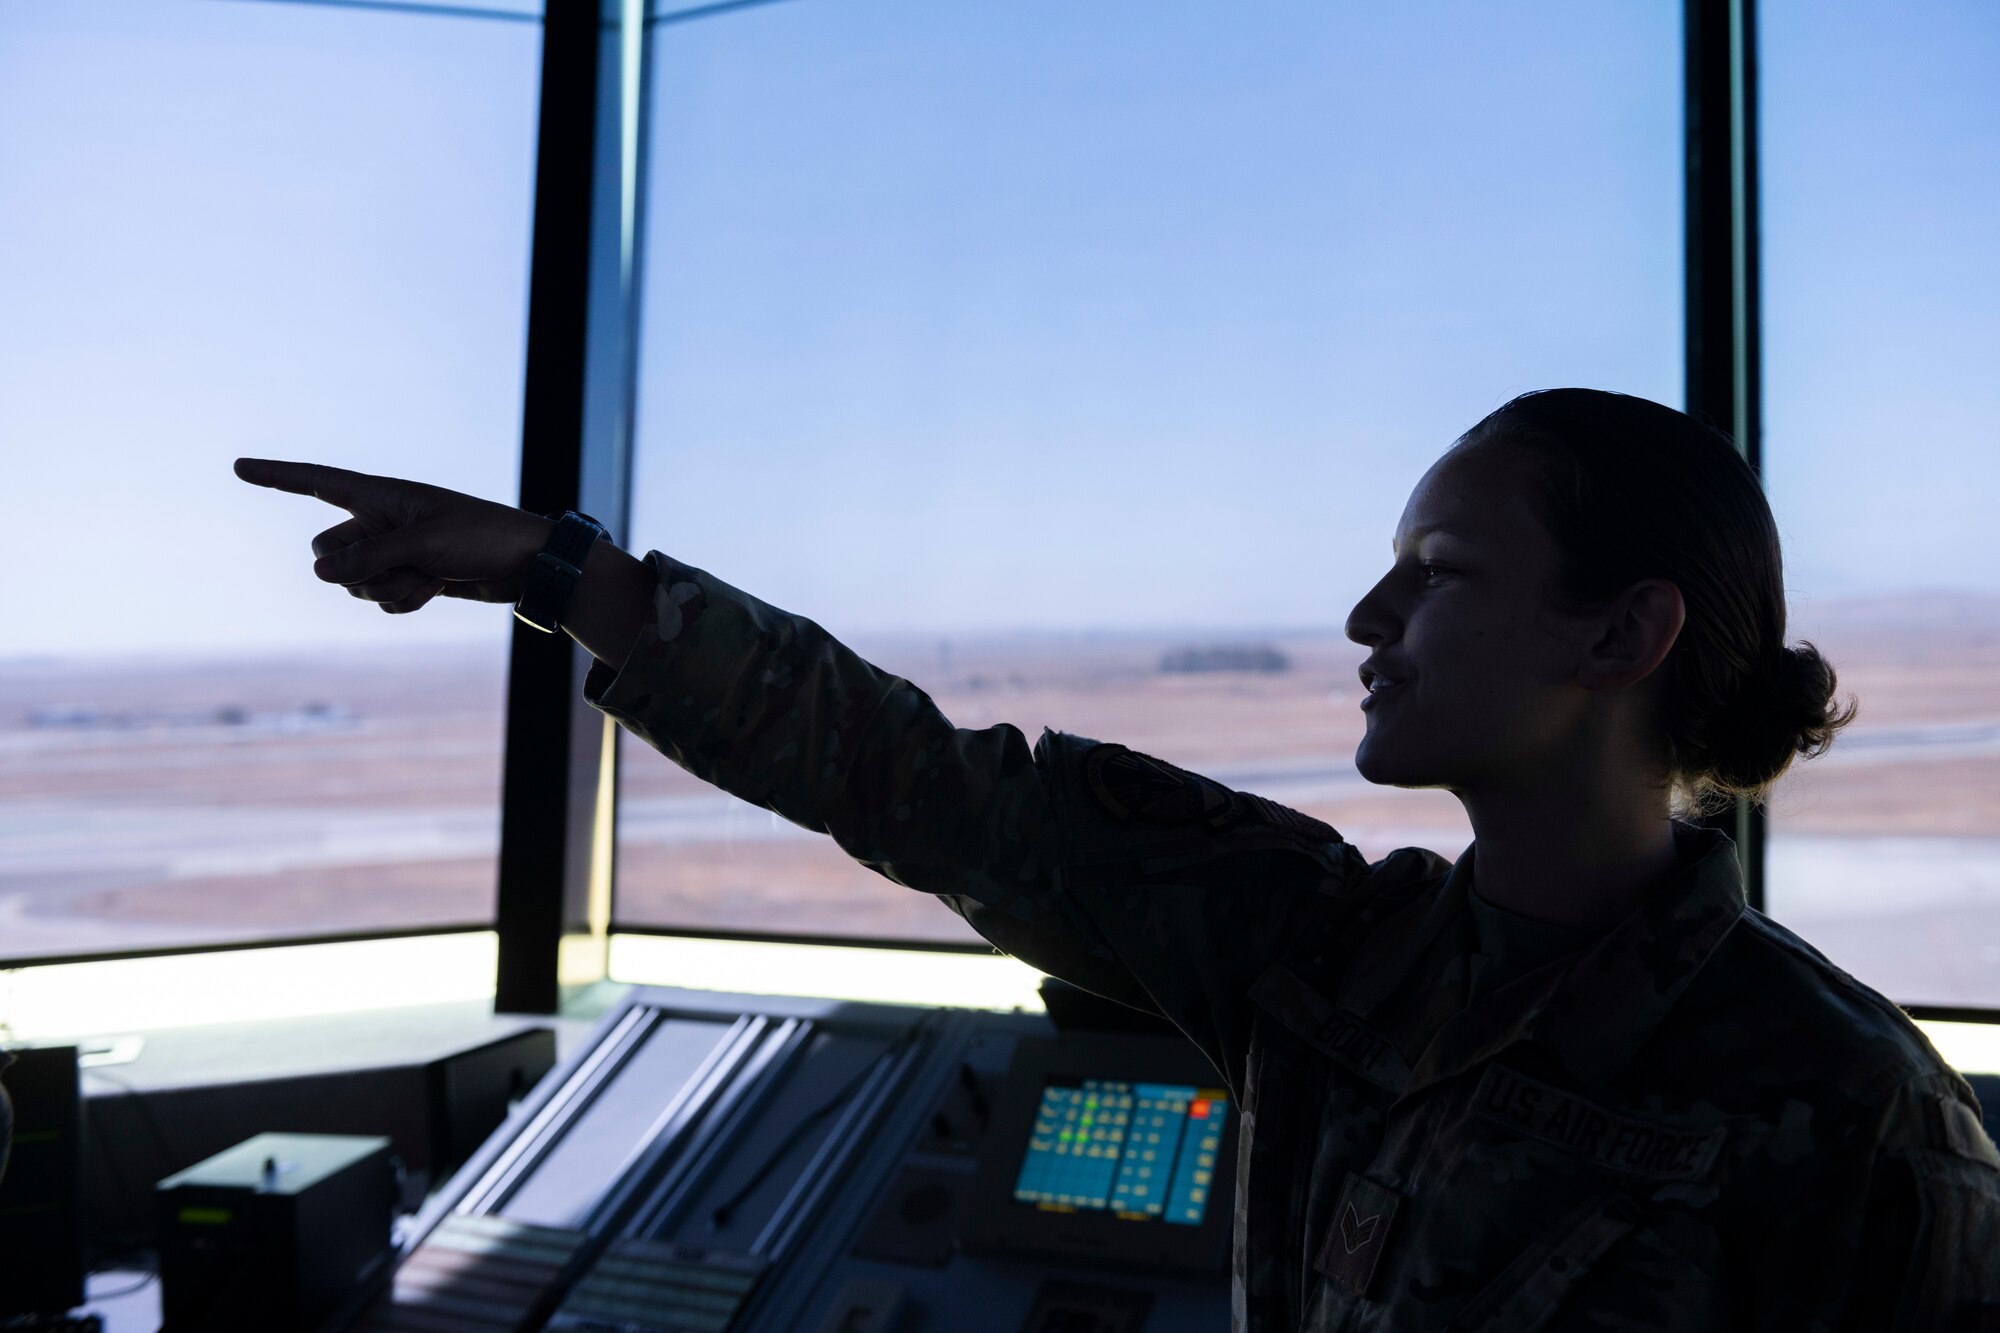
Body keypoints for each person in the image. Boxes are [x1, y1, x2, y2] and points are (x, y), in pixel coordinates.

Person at [236, 387, 2000, 1330]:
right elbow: (936, 788)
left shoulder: (1852, 1115)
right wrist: (566, 571)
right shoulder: (1326, 950)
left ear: (1622, 633)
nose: (1366, 617)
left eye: (1439, 571)